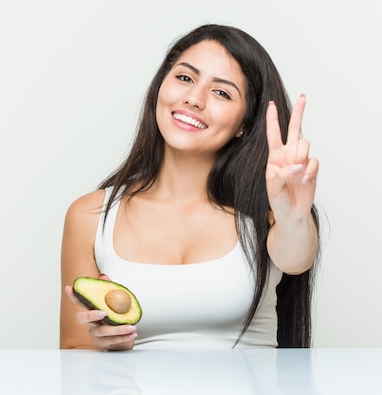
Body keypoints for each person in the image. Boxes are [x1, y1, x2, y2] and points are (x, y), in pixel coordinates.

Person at [60, 24, 320, 351]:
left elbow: (297, 259)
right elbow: (73, 356)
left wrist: (292, 215)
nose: (194, 99)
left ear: (244, 124)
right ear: (160, 87)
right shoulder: (89, 215)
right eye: (185, 78)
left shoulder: (268, 213)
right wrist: (102, 346)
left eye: (221, 92)